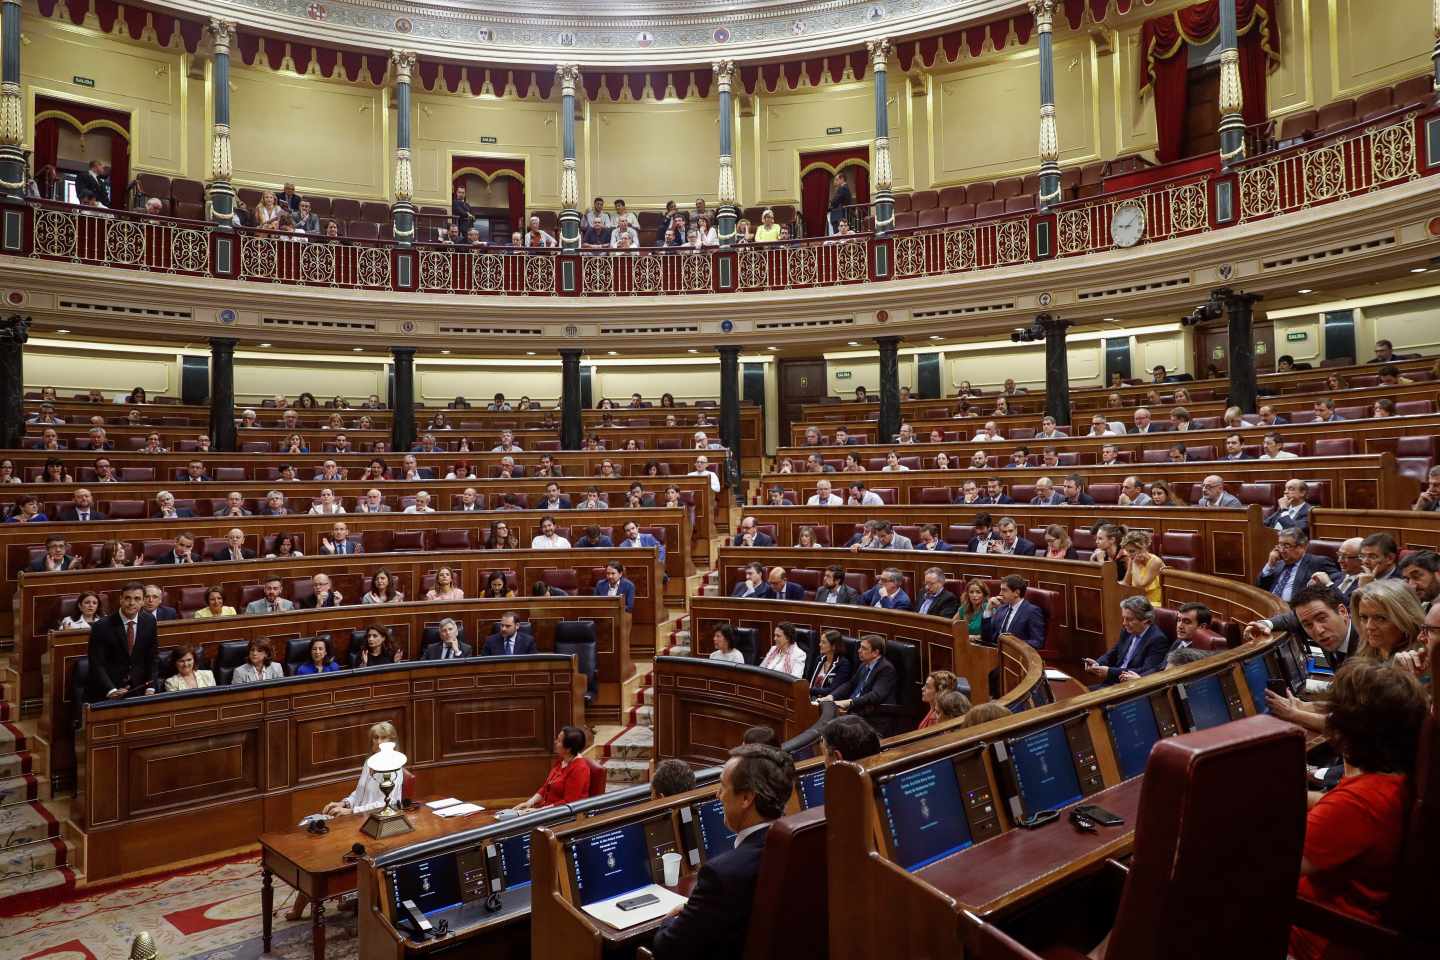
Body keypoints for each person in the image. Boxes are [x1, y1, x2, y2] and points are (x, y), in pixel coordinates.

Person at [1286, 660, 1427, 960]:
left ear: (1345, 730)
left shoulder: (1358, 803)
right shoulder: (1396, 780)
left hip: (1313, 935)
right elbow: (1333, 808)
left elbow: (1273, 869)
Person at [651, 742, 795, 960]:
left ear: (746, 798)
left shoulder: (721, 874)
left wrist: (671, 920)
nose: (718, 795)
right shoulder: (797, 845)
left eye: (723, 787)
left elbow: (668, 947)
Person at [86, 582, 158, 701]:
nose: (131, 603)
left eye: (137, 599)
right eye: (127, 598)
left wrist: (151, 687)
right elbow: (96, 663)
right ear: (121, 599)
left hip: (140, 689)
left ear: (143, 602)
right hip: (110, 690)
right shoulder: (101, 626)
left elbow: (152, 657)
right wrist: (111, 690)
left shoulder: (149, 621)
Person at [1084, 595, 1172, 686]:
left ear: (1145, 620)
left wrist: (1110, 672)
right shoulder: (1127, 631)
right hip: (1113, 683)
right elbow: (1113, 653)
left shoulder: (1157, 640)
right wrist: (1097, 664)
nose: (1124, 623)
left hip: (1131, 688)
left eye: (1129, 619)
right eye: (1124, 618)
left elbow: (1146, 671)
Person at [818, 635, 898, 733]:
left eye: (864, 648)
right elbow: (850, 684)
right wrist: (831, 696)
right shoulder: (864, 664)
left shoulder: (886, 669)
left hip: (872, 717)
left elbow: (875, 695)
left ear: (875, 653)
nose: (859, 651)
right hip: (855, 712)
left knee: (829, 728)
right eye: (860, 647)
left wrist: (850, 702)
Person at [513, 726, 592, 810]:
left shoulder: (580, 768)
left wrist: (539, 811)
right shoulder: (562, 760)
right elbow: (546, 787)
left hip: (564, 814)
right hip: (547, 809)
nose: (555, 742)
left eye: (559, 741)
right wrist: (529, 802)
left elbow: (569, 802)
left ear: (568, 749)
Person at [1258, 528, 1338, 603]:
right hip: (1271, 606)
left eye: (1286, 546)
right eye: (1280, 545)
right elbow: (1260, 588)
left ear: (1302, 547)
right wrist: (1270, 564)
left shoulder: (1318, 562)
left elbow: (1337, 586)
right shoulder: (1278, 564)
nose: (1282, 550)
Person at [981, 575, 1047, 649]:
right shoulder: (1001, 609)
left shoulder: (1032, 611)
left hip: (1016, 657)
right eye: (1001, 589)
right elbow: (986, 638)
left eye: (1004, 590)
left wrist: (1012, 643)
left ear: (1016, 592)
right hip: (996, 653)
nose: (1000, 593)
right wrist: (988, 610)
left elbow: (1037, 642)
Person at [1120, 530, 1166, 606]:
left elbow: (1140, 586)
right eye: (1127, 551)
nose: (1128, 555)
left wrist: (1135, 564)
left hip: (1156, 603)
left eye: (1132, 551)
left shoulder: (1155, 562)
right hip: (1140, 601)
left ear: (1143, 548)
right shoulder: (1132, 559)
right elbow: (1126, 583)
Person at [808, 630, 852, 697]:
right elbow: (810, 681)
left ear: (834, 646)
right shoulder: (819, 659)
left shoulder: (843, 664)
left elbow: (833, 690)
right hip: (810, 698)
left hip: (827, 701)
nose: (820, 644)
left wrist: (808, 689)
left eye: (824, 642)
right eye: (820, 641)